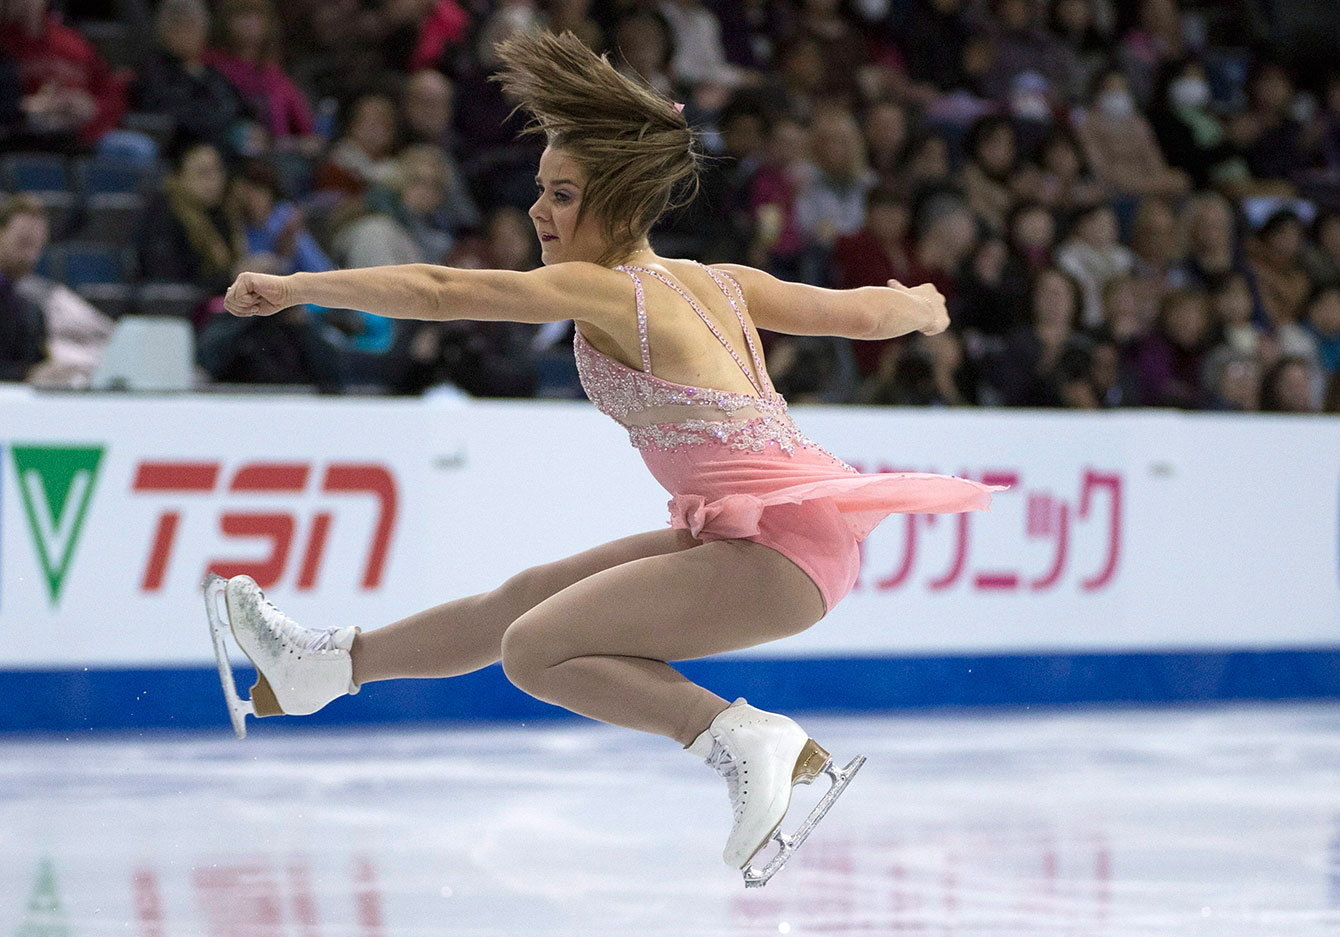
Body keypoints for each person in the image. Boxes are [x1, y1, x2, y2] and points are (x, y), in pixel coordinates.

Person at [213, 30, 1002, 884]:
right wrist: (923, 306)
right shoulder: (722, 281)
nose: (537, 211)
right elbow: (865, 315)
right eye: (540, 189)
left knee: (533, 648)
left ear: (621, 204)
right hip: (774, 536)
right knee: (523, 600)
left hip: (779, 552)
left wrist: (298, 287)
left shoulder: (608, 290)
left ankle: (741, 738)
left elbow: (444, 291)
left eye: (562, 194)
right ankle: (322, 667)